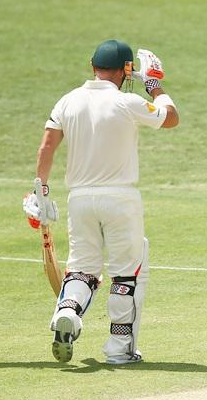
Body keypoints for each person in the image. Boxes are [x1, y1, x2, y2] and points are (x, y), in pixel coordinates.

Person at [23, 39, 179, 364]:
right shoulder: (128, 101)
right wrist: (154, 85)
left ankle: (68, 311)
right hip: (120, 198)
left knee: (82, 269)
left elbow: (46, 148)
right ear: (124, 70)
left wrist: (41, 192)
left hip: (79, 200)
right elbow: (171, 117)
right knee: (126, 273)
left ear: (93, 66)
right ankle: (119, 348)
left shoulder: (67, 101)